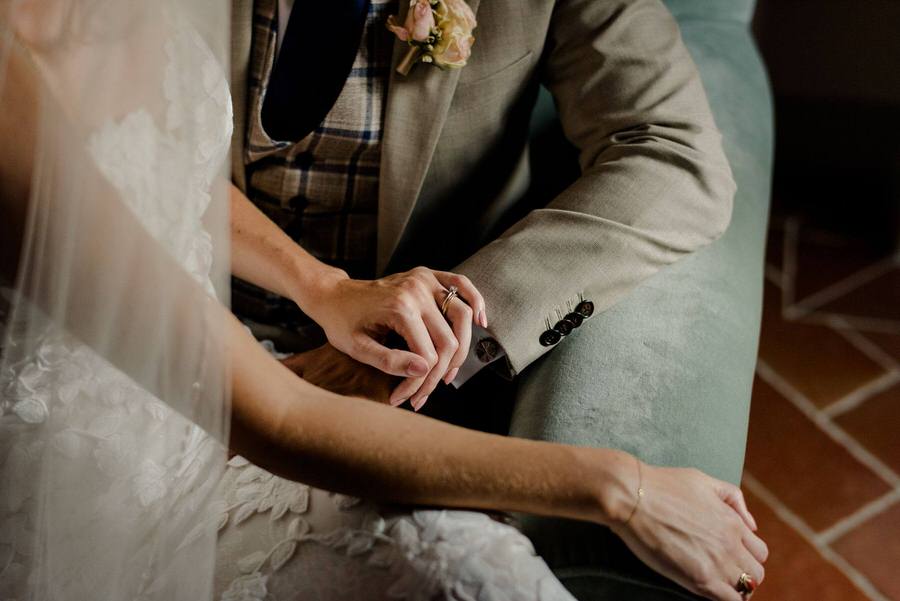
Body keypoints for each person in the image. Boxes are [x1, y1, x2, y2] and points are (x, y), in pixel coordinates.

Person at [0, 2, 765, 601]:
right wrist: (619, 487)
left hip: (234, 393)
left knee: (478, 572)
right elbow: (280, 418)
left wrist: (328, 289)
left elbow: (147, 161)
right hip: (123, 447)